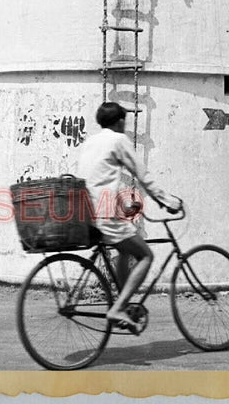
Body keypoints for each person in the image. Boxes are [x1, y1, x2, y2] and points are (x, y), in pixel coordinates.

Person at [77, 101, 182, 332]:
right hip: (105, 212)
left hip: (84, 211)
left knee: (125, 249)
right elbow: (142, 174)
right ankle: (119, 307)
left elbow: (95, 178)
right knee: (146, 256)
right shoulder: (118, 140)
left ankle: (122, 304)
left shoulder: (89, 142)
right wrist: (167, 201)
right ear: (120, 121)